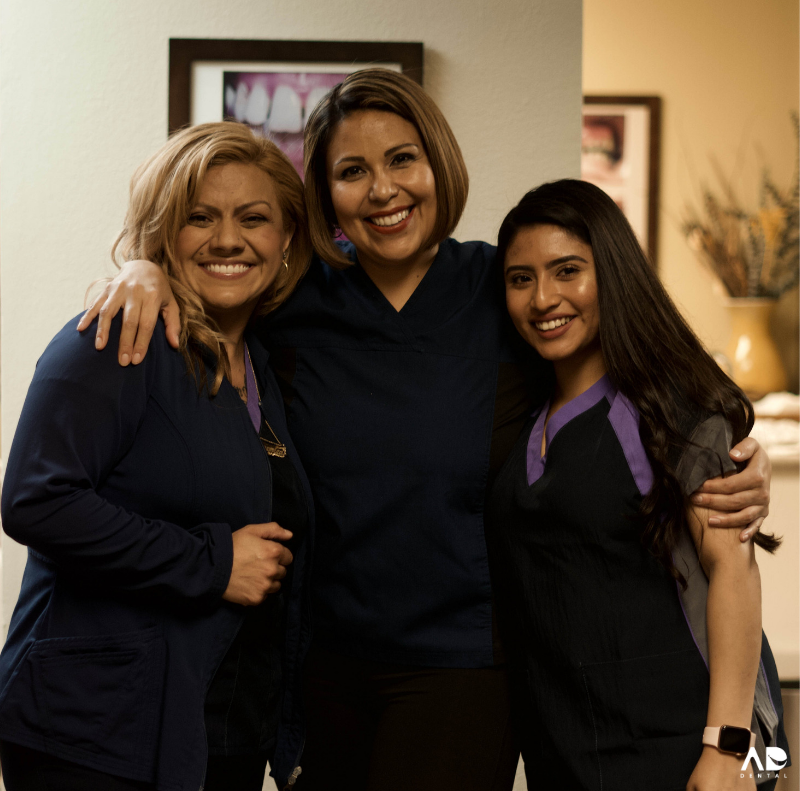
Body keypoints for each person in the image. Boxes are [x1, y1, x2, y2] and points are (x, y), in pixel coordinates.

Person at [78, 70, 773, 791]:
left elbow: (639, 363)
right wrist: (141, 270)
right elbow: (213, 286)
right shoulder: (292, 302)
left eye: (402, 160)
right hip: (322, 666)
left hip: (466, 670)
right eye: (353, 171)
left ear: (438, 162)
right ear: (325, 194)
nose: (383, 190)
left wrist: (725, 456)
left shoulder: (502, 287)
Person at [0, 122, 314, 791]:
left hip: (217, 729)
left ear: (286, 238)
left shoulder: (260, 361)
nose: (228, 239)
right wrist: (212, 562)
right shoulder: (115, 338)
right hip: (96, 733)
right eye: (198, 217)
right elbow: (36, 500)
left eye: (253, 218)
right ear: (163, 232)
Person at [489, 179, 789, 791]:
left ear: (613, 274)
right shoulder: (520, 419)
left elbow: (736, 572)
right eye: (521, 279)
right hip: (565, 749)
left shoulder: (671, 414)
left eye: (567, 271)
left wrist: (727, 751)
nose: (544, 298)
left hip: (679, 750)